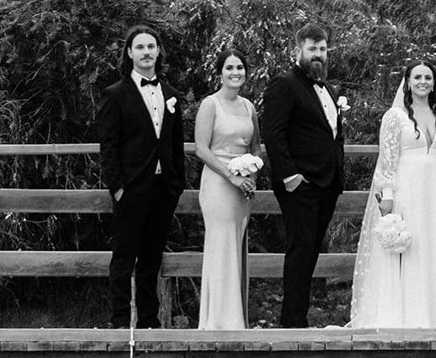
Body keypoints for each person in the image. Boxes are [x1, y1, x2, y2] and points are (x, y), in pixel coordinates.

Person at [349, 61, 436, 327]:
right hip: (407, 188)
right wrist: (387, 196)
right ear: (408, 81)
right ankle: (408, 315)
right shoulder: (395, 116)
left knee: (435, 247)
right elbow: (387, 161)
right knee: (411, 249)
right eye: (417, 77)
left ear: (435, 82)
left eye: (428, 77)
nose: (423, 81)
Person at [97, 24, 186, 329]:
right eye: (140, 47)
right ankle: (120, 322)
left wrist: (176, 185)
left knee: (151, 259)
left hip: (163, 190)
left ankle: (149, 322)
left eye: (151, 46)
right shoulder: (115, 95)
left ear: (158, 51)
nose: (146, 52)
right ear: (130, 53)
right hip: (131, 190)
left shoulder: (171, 95)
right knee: (124, 258)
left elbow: (176, 145)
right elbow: (108, 146)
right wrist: (117, 188)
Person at [262, 26, 345, 328]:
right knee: (300, 251)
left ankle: (299, 318)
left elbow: (332, 135)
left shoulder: (328, 89)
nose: (318, 55)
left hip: (327, 184)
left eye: (322, 49)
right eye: (312, 49)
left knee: (310, 252)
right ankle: (292, 323)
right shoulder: (283, 84)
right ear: (298, 51)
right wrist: (290, 176)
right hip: (300, 185)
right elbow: (273, 133)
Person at [194, 48, 262, 329]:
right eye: (230, 68)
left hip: (241, 188)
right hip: (218, 183)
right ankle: (218, 321)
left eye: (240, 68)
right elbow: (201, 149)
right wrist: (231, 176)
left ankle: (235, 318)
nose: (236, 73)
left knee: (235, 247)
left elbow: (256, 146)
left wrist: (251, 175)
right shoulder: (211, 105)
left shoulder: (248, 107)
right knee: (221, 246)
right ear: (220, 72)